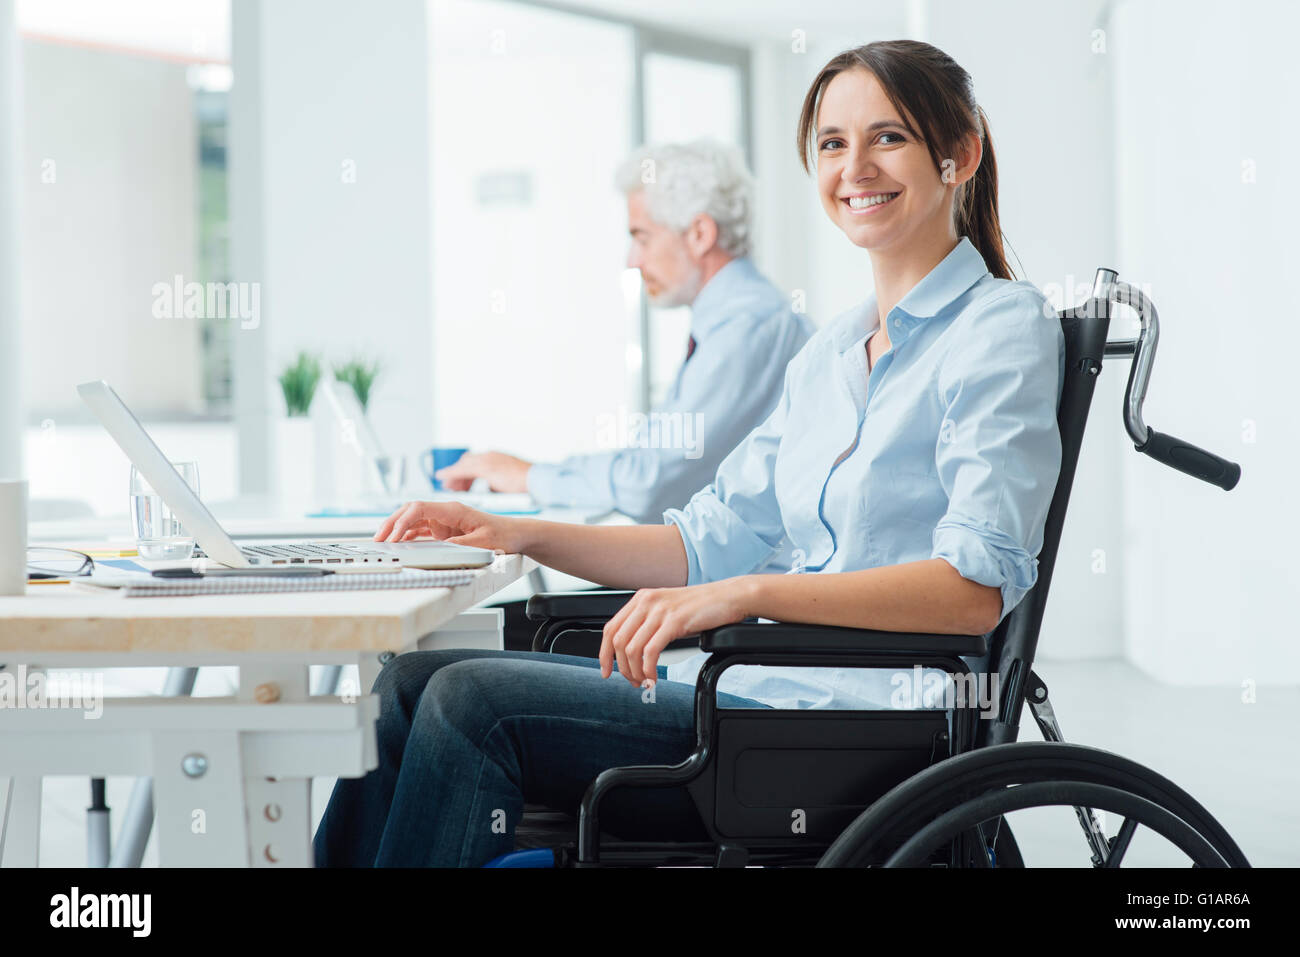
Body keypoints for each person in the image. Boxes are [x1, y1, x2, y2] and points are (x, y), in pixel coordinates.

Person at [313, 39, 1067, 867]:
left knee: (467, 701)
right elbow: (698, 539)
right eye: (831, 143)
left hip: (856, 730)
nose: (855, 166)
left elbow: (971, 593)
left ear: (959, 154)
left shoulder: (1000, 328)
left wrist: (740, 596)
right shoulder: (829, 353)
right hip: (759, 696)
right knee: (405, 683)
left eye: (888, 137)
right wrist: (513, 531)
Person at [434, 139, 814, 525]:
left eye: (642, 237)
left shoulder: (747, 326)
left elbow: (649, 481)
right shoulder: (736, 320)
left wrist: (527, 476)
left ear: (700, 234)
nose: (632, 261)